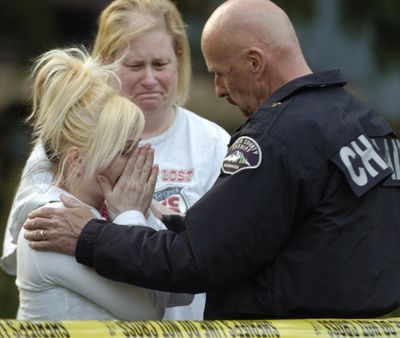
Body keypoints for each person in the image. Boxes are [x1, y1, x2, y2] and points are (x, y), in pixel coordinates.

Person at [24, 0, 400, 320]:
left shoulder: (279, 136)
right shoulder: (369, 124)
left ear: (255, 62)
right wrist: (158, 220)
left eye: (221, 73)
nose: (218, 89)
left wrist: (91, 236)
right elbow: (255, 235)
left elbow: (196, 261)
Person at [1, 0, 230, 320]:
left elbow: (194, 276)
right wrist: (105, 229)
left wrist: (127, 219)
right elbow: (37, 233)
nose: (150, 79)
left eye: (160, 64)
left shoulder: (214, 142)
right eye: (135, 66)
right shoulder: (64, 144)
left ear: (179, 60)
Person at [14, 47, 195, 320]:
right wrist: (132, 215)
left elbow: (183, 288)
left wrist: (143, 213)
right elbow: (146, 310)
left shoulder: (107, 211)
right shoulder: (50, 223)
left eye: (137, 147)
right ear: (77, 160)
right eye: (124, 151)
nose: (137, 160)